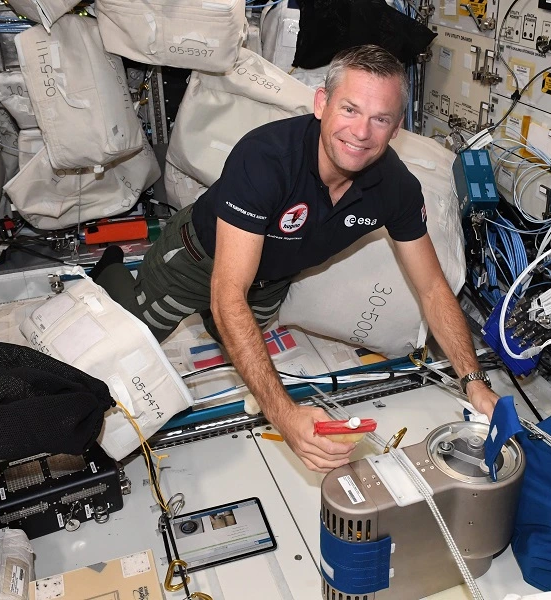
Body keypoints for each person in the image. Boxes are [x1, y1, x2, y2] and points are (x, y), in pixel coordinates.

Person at [94, 44, 499, 473]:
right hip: (196, 261)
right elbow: (227, 292)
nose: (361, 132)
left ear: (396, 127)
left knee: (234, 334)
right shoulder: (267, 158)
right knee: (133, 333)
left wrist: (474, 382)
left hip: (270, 281)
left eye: (379, 118)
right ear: (322, 104)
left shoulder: (396, 188)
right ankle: (112, 270)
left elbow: (433, 288)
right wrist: (285, 415)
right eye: (350, 109)